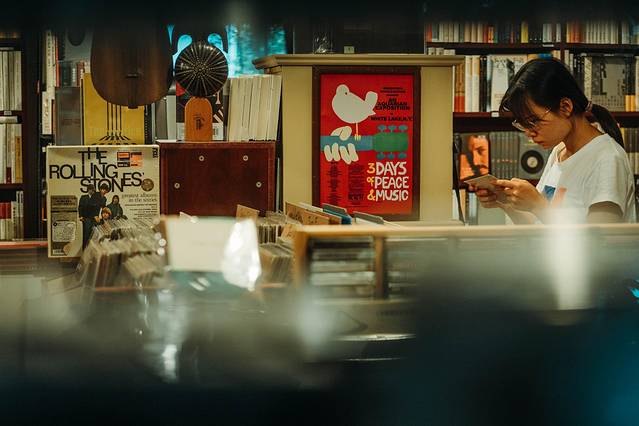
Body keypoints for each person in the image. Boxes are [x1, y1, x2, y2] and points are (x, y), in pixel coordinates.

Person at [475, 58, 636, 224]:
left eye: (533, 121)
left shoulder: (607, 159)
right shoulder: (559, 151)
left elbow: (601, 237)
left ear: (565, 107)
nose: (529, 133)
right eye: (523, 124)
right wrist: (506, 202)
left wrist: (539, 206)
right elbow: (539, 224)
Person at [79, 184, 97, 248]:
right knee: (86, 234)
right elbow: (80, 207)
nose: (92, 191)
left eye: (93, 190)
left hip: (94, 219)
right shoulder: (83, 197)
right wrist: (80, 216)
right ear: (88, 190)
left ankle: (91, 249)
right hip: (86, 218)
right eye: (91, 190)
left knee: (93, 234)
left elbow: (97, 208)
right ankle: (85, 249)